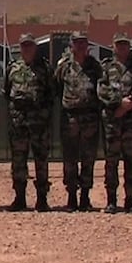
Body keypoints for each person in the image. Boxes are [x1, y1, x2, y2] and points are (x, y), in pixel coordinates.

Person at [97, 34, 132, 213]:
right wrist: (118, 103)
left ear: (129, 47)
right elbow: (101, 90)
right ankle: (111, 200)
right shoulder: (106, 67)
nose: (122, 48)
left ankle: (130, 200)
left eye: (125, 45)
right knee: (111, 162)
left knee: (131, 161)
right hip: (113, 121)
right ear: (113, 46)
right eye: (119, 45)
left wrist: (130, 104)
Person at [5, 33, 55, 212]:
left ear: (35, 47)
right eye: (24, 45)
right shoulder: (13, 68)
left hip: (39, 125)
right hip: (18, 124)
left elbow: (51, 94)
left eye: (30, 46)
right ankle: (19, 198)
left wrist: (43, 115)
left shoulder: (45, 68)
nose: (27, 49)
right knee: (18, 162)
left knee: (41, 161)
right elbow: (6, 93)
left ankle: (42, 199)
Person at [54, 32, 103, 211]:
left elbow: (101, 88)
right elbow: (57, 88)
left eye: (83, 43)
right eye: (77, 43)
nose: (81, 46)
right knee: (70, 159)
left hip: (90, 118)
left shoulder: (95, 67)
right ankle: (72, 196)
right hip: (70, 119)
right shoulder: (64, 66)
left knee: (88, 159)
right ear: (71, 45)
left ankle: (85, 196)